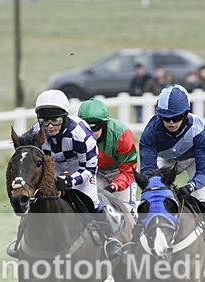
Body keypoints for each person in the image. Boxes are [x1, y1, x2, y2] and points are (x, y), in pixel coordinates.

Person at [7, 90, 123, 259]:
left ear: (65, 117)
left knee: (92, 201)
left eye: (56, 120)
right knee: (35, 202)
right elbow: (26, 155)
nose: (50, 126)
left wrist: (68, 182)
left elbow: (89, 169)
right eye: (45, 121)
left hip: (80, 167)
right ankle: (20, 242)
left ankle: (109, 239)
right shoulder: (35, 133)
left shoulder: (81, 134)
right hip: (51, 166)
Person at [138, 85, 205, 271]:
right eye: (166, 118)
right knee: (151, 197)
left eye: (177, 118)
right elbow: (148, 170)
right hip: (166, 161)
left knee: (204, 201)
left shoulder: (200, 132)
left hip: (194, 162)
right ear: (159, 116)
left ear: (186, 113)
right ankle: (136, 241)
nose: (171, 122)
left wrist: (190, 187)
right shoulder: (150, 132)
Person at [77, 98, 138, 218]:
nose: (90, 133)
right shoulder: (75, 134)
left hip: (119, 173)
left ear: (104, 125)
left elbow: (129, 171)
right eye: (86, 129)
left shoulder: (122, 134)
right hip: (94, 173)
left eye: (95, 128)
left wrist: (113, 186)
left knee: (126, 212)